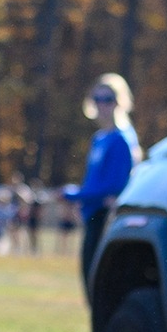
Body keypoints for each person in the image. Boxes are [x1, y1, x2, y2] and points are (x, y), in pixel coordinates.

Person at [66, 72, 141, 288]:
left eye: (108, 99)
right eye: (97, 99)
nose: (102, 105)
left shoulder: (122, 139)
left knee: (100, 282)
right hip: (92, 214)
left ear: (120, 102)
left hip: (107, 217)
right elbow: (94, 181)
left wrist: (75, 195)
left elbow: (115, 186)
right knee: (88, 278)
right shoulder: (99, 138)